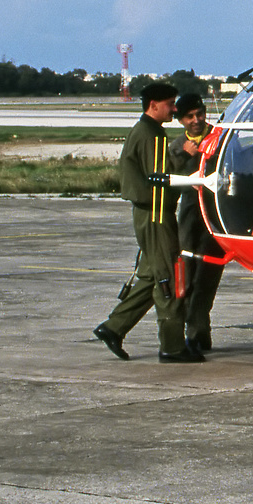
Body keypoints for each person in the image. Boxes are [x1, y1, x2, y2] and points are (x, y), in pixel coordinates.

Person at [94, 82, 203, 363]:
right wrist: (184, 156)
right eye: (169, 104)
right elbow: (159, 179)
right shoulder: (151, 135)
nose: (174, 109)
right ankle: (172, 346)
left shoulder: (146, 131)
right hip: (156, 214)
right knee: (169, 277)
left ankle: (113, 327)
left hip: (150, 214)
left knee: (151, 277)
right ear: (153, 105)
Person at [171, 92, 225, 351]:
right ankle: (193, 331)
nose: (196, 120)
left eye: (200, 114)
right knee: (186, 277)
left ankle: (198, 331)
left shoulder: (221, 137)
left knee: (208, 277)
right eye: (189, 117)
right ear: (180, 120)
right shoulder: (176, 147)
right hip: (190, 218)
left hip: (216, 219)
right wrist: (184, 156)